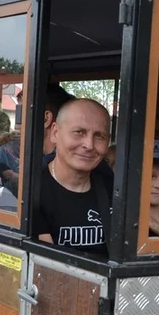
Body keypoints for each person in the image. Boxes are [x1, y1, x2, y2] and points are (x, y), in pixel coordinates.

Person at [33, 99, 113, 255]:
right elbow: (48, 265)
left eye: (99, 136)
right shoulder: (33, 191)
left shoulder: (114, 188)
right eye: (79, 132)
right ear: (55, 133)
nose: (89, 145)